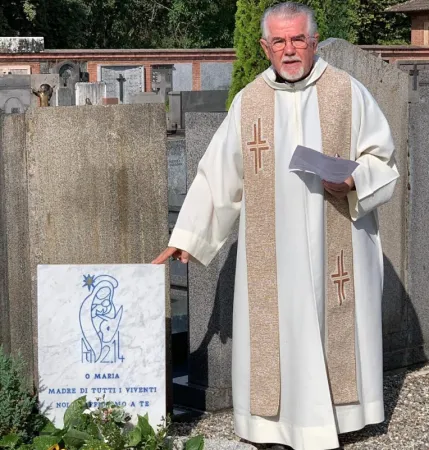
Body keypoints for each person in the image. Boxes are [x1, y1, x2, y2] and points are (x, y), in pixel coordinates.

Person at [153, 3, 399, 449]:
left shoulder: (348, 92)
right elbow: (217, 176)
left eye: (298, 39)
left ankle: (343, 415)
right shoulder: (250, 102)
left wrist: (354, 179)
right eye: (280, 41)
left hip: (337, 239)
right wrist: (186, 236)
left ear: (314, 41)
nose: (290, 50)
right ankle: (275, 424)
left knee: (332, 321)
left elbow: (383, 160)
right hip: (273, 256)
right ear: (265, 47)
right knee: (277, 331)